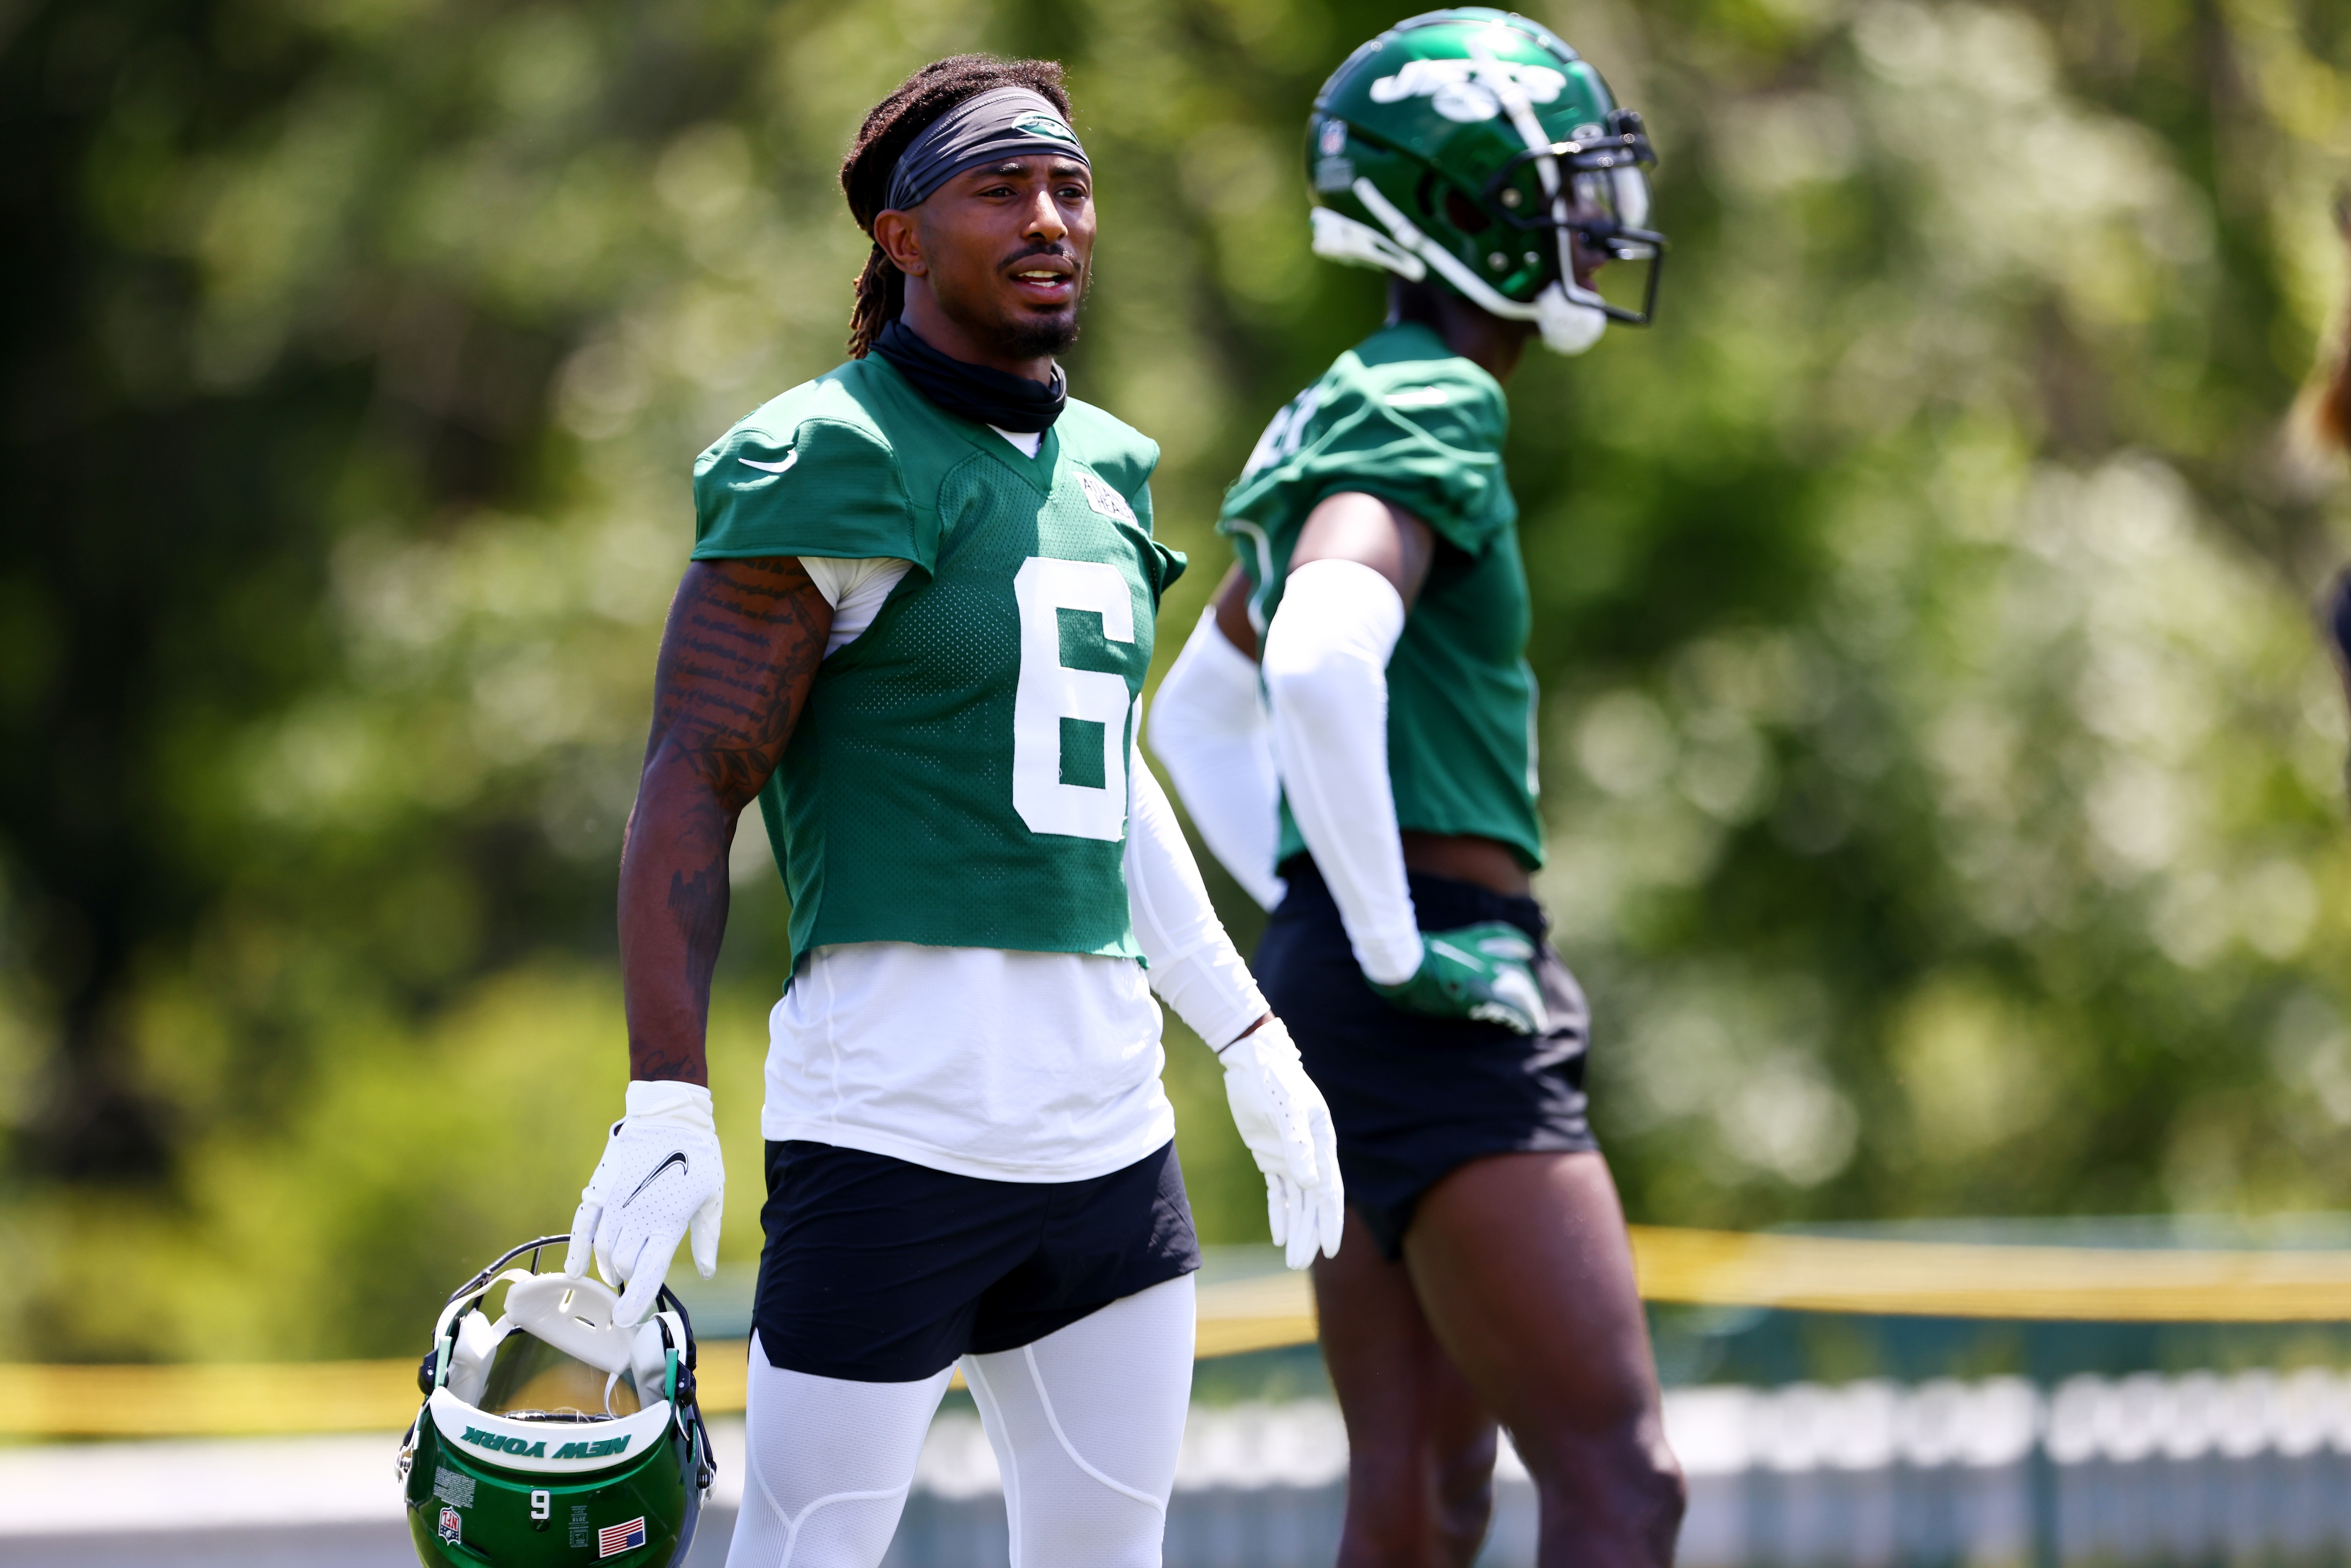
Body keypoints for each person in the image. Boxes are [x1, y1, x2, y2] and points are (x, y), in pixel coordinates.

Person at [558, 55, 1344, 1568]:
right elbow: (691, 778)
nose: (1052, 219)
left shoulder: (1105, 469)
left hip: (1109, 1147)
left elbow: (1104, 778)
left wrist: (1247, 1036)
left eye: (1072, 186)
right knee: (805, 1556)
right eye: (1003, 189)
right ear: (903, 240)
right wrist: (665, 1092)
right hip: (891, 1139)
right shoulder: (834, 451)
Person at [1149, 12, 1685, 1566]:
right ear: (1467, 206)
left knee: (1421, 1499)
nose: (1596, 218)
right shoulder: (1432, 397)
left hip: (1349, 976)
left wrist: (1329, 920)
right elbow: (1315, 662)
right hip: (1432, 977)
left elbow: (1198, 711)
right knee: (1622, 1484)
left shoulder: (1347, 392)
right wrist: (1395, 943)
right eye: (1561, 186)